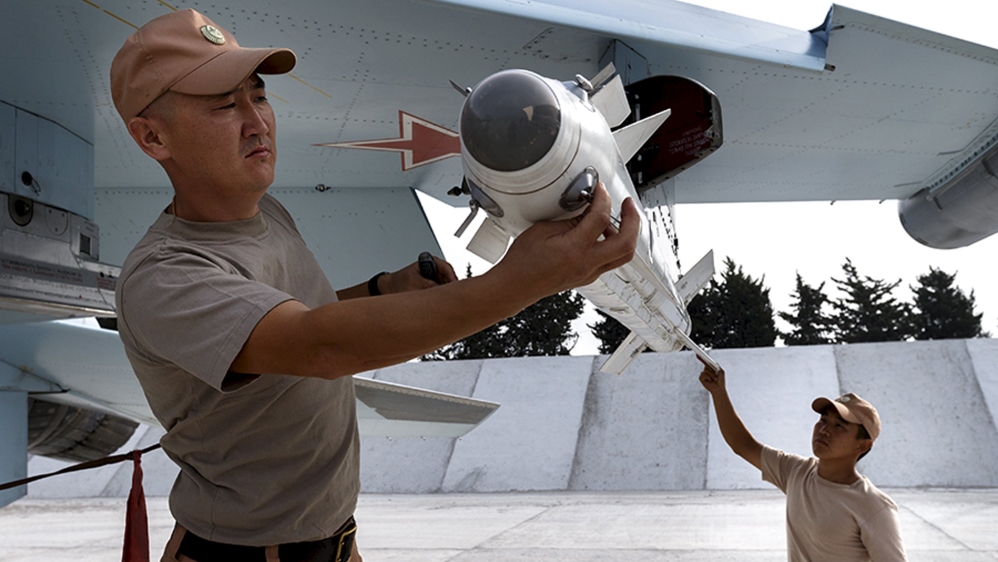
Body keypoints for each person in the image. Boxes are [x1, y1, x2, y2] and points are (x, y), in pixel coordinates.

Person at [108, 8, 639, 562]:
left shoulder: (268, 217)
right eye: (224, 105)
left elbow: (284, 327)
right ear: (151, 136)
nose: (256, 121)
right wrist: (524, 281)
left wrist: (385, 291)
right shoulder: (165, 276)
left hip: (334, 544)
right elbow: (319, 346)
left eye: (258, 97)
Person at [697, 359, 907, 561]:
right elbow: (742, 445)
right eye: (823, 420)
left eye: (839, 426)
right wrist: (718, 392)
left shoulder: (874, 507)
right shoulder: (797, 471)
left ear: (862, 445)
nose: (824, 430)